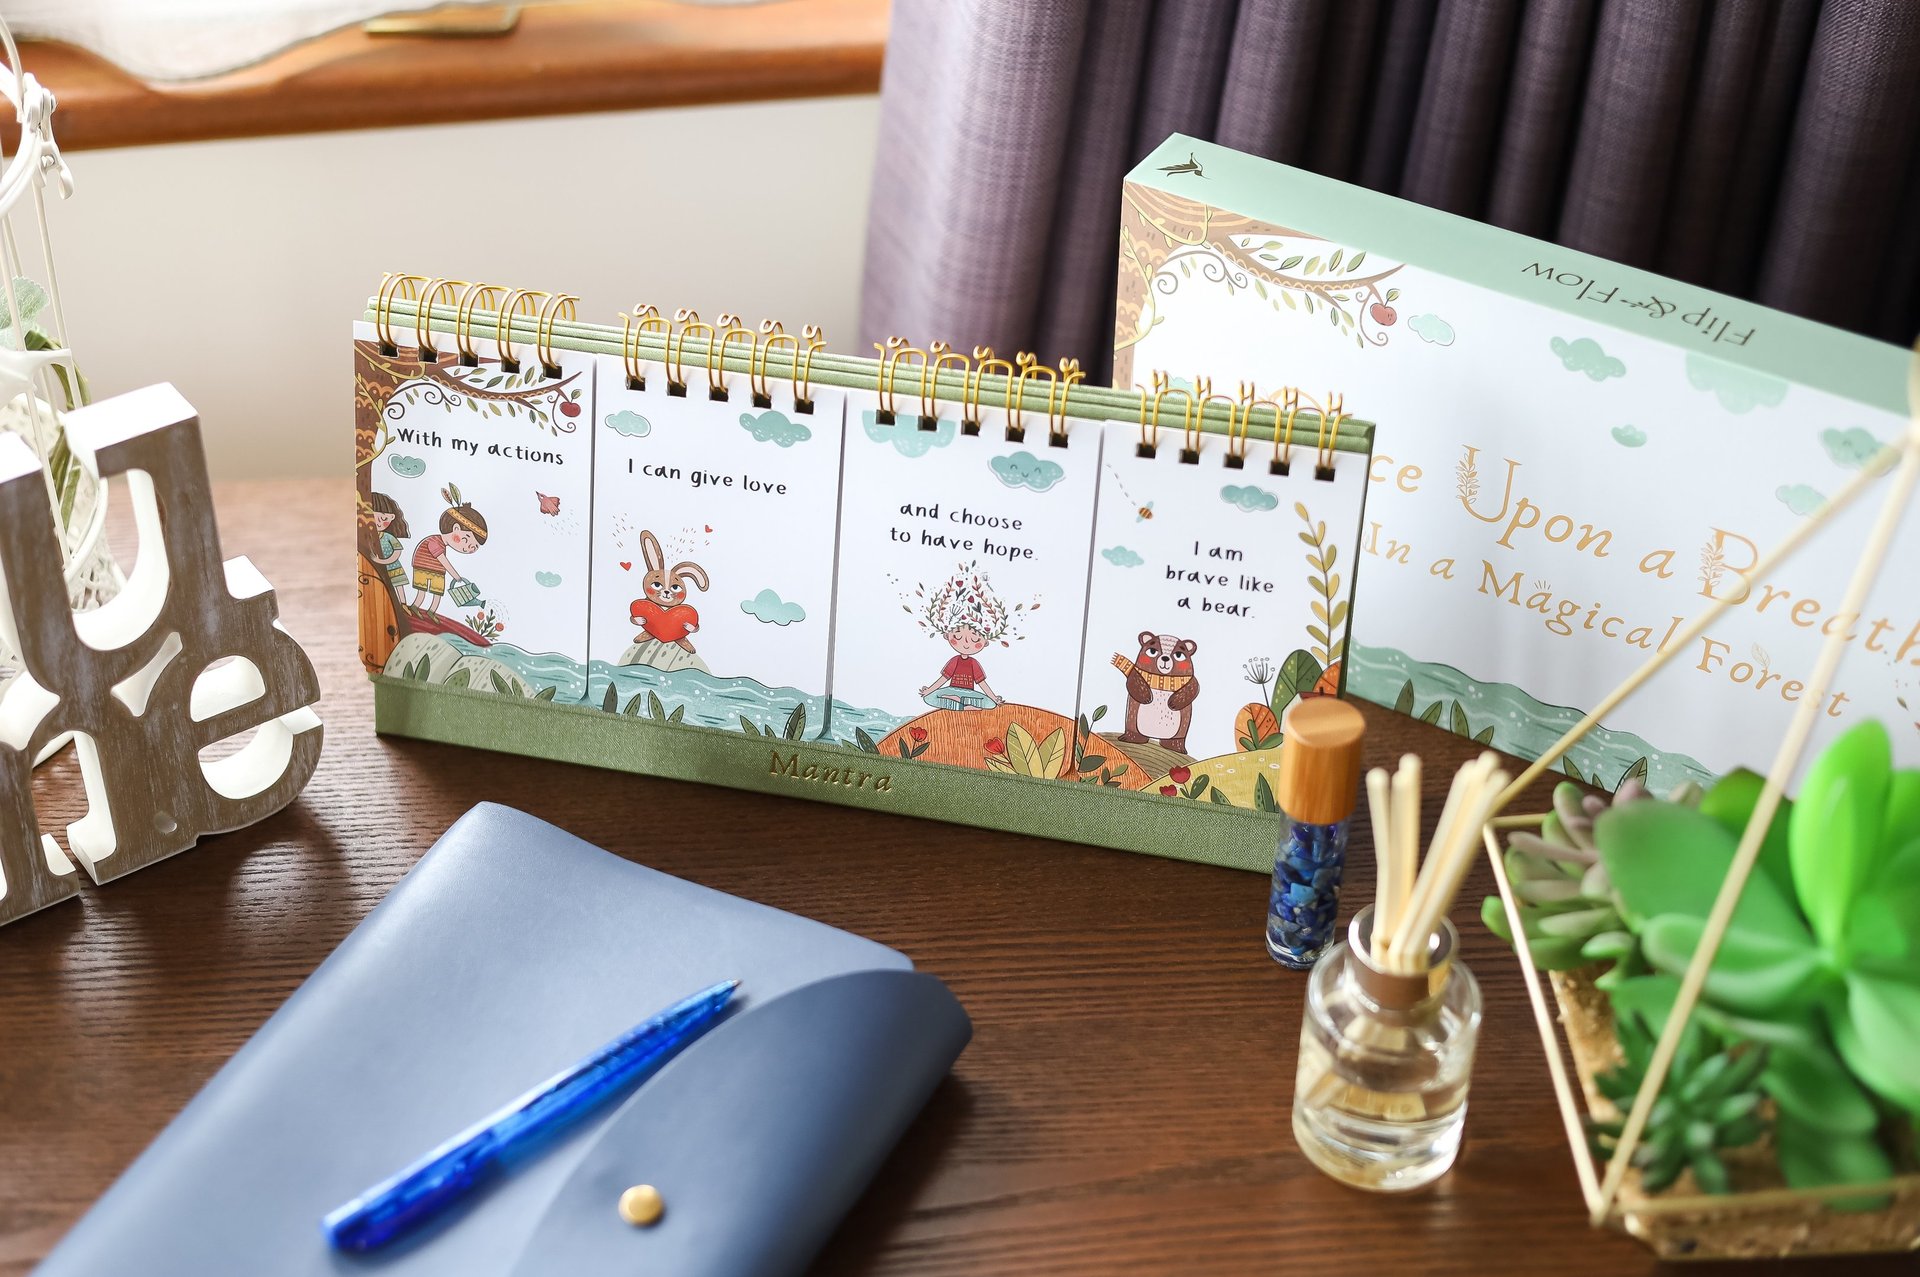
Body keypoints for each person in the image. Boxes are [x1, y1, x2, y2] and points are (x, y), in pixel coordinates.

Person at [916, 565, 1010, 711]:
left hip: (970, 694)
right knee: (930, 698)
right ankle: (963, 706)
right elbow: (943, 680)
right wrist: (928, 690)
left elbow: (982, 684)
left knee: (990, 704)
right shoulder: (954, 661)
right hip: (951, 691)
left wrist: (993, 697)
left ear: (985, 643)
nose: (966, 643)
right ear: (948, 636)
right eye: (958, 637)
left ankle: (959, 704)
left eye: (975, 640)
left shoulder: (973, 663)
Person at [410, 483, 488, 615]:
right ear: (456, 528)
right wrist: (457, 577)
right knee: (421, 590)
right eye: (466, 540)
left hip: (437, 571)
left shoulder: (442, 545)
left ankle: (431, 612)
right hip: (423, 567)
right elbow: (443, 560)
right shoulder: (434, 542)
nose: (468, 548)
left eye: (473, 547)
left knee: (437, 592)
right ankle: (415, 607)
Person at [368, 492, 411, 598]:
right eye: (375, 518)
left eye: (384, 519)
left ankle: (403, 603)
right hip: (378, 568)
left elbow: (397, 551)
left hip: (393, 567)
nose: (378, 523)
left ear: (392, 517)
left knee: (398, 585)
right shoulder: (367, 536)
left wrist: (384, 561)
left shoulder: (388, 537)